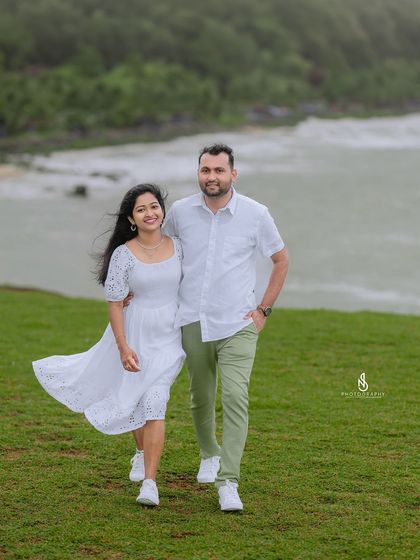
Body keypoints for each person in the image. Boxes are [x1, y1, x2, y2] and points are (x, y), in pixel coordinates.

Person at [33, 184, 185, 507]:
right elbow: (116, 303)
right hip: (133, 334)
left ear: (162, 210)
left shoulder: (180, 247)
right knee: (131, 397)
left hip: (170, 337)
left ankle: (150, 483)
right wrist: (122, 346)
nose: (150, 213)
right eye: (141, 209)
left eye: (154, 206)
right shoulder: (123, 254)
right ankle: (141, 452)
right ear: (131, 218)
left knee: (155, 400)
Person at [163, 143, 288, 512]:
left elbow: (280, 260)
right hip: (192, 320)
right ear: (198, 173)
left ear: (233, 174)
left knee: (235, 397)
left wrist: (263, 310)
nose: (212, 177)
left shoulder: (256, 214)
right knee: (200, 397)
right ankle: (209, 454)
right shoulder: (180, 212)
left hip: (238, 323)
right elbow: (158, 249)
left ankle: (228, 481)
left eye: (219, 170)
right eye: (206, 170)